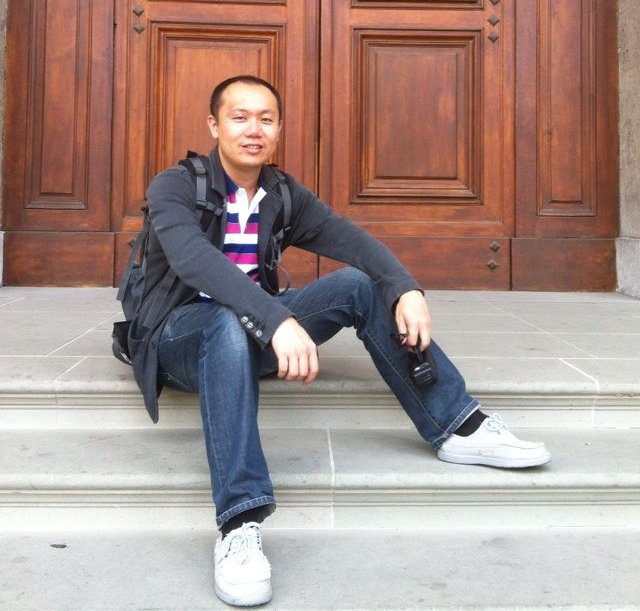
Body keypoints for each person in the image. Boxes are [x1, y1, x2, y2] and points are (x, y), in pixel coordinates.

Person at [130, 75, 550, 607]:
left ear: (279, 128)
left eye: (266, 119)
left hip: (254, 332)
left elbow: (350, 239)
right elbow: (195, 260)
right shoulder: (174, 186)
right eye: (240, 117)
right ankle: (239, 523)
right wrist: (276, 320)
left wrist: (405, 288)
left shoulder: (280, 193)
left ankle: (456, 424)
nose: (254, 129)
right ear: (214, 126)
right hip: (180, 338)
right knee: (224, 323)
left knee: (358, 284)